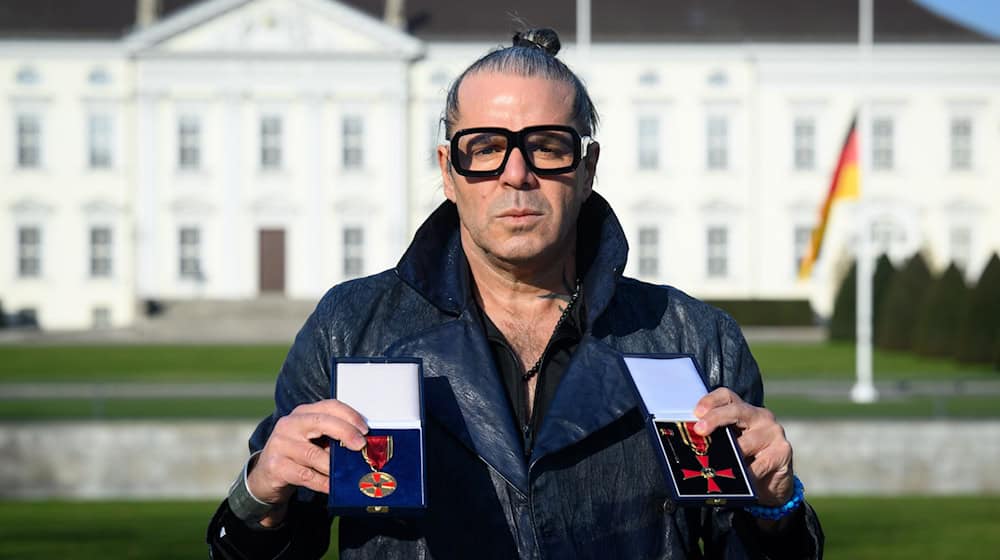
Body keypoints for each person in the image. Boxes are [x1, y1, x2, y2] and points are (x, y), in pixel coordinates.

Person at [207, 28, 823, 559]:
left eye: (548, 147)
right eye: (486, 149)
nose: (516, 173)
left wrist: (775, 508)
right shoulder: (351, 329)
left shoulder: (695, 341)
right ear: (449, 172)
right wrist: (261, 495)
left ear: (587, 169)